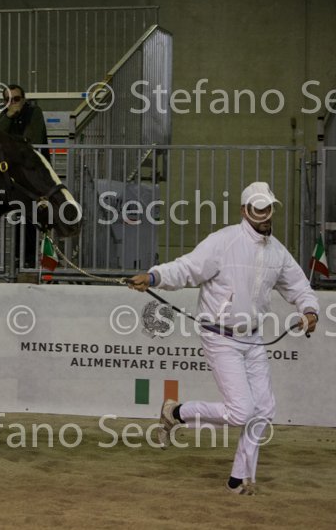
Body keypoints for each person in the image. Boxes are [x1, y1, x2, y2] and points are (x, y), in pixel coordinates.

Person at [128, 181, 319, 496]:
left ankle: (239, 479)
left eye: (268, 209)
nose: (264, 215)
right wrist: (154, 276)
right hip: (220, 336)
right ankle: (176, 412)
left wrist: (310, 310)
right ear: (244, 210)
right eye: (258, 209)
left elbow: (299, 286)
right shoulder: (223, 242)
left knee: (264, 409)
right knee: (241, 411)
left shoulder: (278, 252)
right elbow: (187, 268)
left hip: (253, 338)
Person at [0, 84, 48, 270]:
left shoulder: (34, 112)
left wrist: (13, 145)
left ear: (24, 99)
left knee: (31, 215)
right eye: (8, 100)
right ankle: (18, 257)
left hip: (33, 173)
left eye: (16, 99)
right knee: (18, 214)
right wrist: (9, 116)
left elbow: (32, 139)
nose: (13, 103)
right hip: (14, 175)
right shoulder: (5, 116)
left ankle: (31, 258)